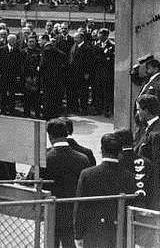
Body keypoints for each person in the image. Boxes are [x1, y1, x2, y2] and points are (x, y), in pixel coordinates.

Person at [34, 118, 91, 248]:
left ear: (50, 136)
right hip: (73, 213)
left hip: (50, 212)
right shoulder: (83, 159)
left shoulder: (44, 159)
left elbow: (35, 184)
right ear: (66, 134)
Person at [74, 133, 137, 248]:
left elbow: (80, 207)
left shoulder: (87, 174)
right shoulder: (130, 177)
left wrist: (78, 234)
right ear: (120, 152)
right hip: (119, 234)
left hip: (94, 233)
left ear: (101, 150)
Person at [114, 128, 155, 208]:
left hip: (122, 208)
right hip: (143, 208)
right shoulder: (147, 162)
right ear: (133, 142)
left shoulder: (116, 162)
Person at [0, 34, 22, 115]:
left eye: (14, 40)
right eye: (11, 40)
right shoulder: (1, 50)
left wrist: (18, 75)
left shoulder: (17, 51)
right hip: (3, 75)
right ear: (8, 40)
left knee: (12, 93)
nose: (13, 42)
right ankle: (3, 109)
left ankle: (11, 110)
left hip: (13, 76)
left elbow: (19, 64)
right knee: (3, 93)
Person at [67, 32, 93, 115]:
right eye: (74, 38)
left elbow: (89, 62)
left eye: (76, 38)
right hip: (74, 73)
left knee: (83, 93)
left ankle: (84, 109)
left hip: (82, 74)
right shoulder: (74, 46)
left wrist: (87, 72)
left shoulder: (87, 48)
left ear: (81, 38)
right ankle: (75, 108)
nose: (75, 39)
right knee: (74, 92)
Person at [93, 28, 114, 117]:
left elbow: (111, 59)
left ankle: (107, 110)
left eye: (101, 34)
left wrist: (104, 58)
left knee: (107, 92)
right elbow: (93, 57)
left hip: (107, 73)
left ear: (106, 35)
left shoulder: (112, 45)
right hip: (98, 72)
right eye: (99, 34)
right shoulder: (96, 44)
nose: (99, 36)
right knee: (98, 91)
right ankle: (98, 109)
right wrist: (104, 57)